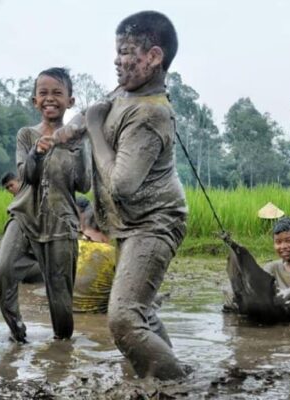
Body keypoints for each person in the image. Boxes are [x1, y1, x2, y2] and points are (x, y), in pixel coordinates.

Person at [58, 11, 188, 380]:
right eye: (116, 51)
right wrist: (60, 135)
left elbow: (122, 185)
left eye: (127, 51)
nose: (117, 60)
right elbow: (88, 116)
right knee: (140, 312)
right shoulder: (125, 94)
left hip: (155, 222)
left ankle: (175, 385)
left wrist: (96, 128)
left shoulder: (150, 114)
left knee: (123, 318)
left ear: (154, 57)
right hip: (130, 224)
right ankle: (165, 373)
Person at [0, 67, 90, 343]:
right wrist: (36, 153)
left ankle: (62, 348)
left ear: (70, 101)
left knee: (60, 297)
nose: (50, 98)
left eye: (58, 93)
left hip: (61, 223)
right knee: (3, 268)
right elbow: (27, 177)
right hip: (25, 215)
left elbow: (85, 185)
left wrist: (77, 147)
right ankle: (17, 333)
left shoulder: (80, 138)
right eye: (43, 93)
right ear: (35, 101)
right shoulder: (26, 135)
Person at [224, 217, 290, 322]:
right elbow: (259, 285)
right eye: (278, 242)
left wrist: (287, 293)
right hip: (275, 305)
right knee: (229, 290)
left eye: (289, 241)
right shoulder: (271, 266)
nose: (283, 246)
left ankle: (265, 313)